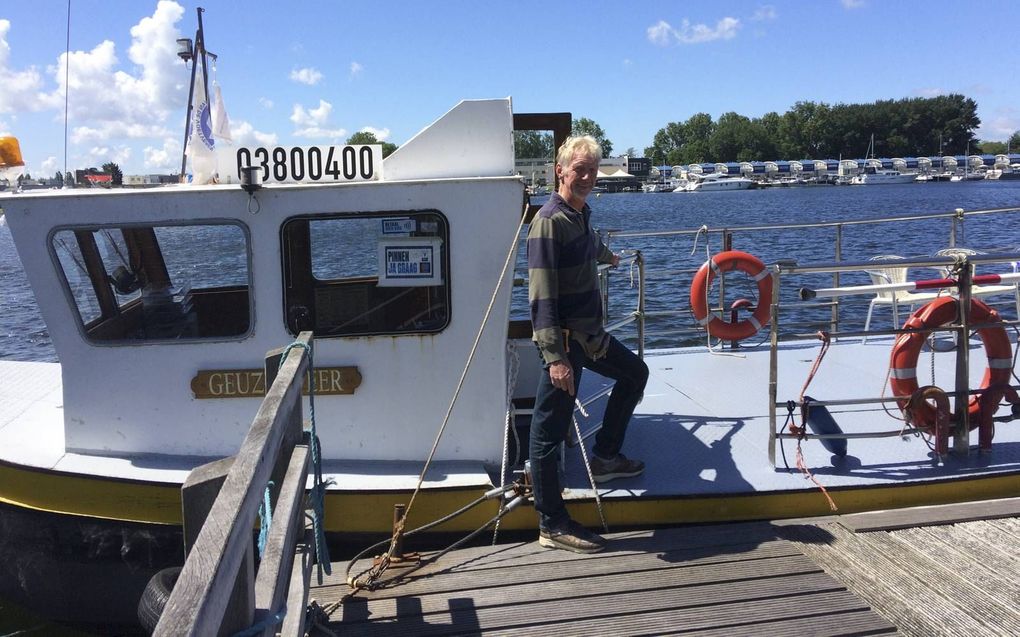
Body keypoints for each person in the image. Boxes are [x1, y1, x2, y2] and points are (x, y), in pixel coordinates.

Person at [527, 135, 650, 554]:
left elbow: (587, 244)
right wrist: (554, 359)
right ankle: (551, 522)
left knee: (635, 374)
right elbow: (541, 297)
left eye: (592, 170)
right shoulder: (548, 221)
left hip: (590, 338)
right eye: (579, 169)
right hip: (565, 344)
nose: (586, 177)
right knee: (548, 430)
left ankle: (606, 456)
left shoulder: (578, 215)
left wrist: (609, 257)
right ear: (560, 171)